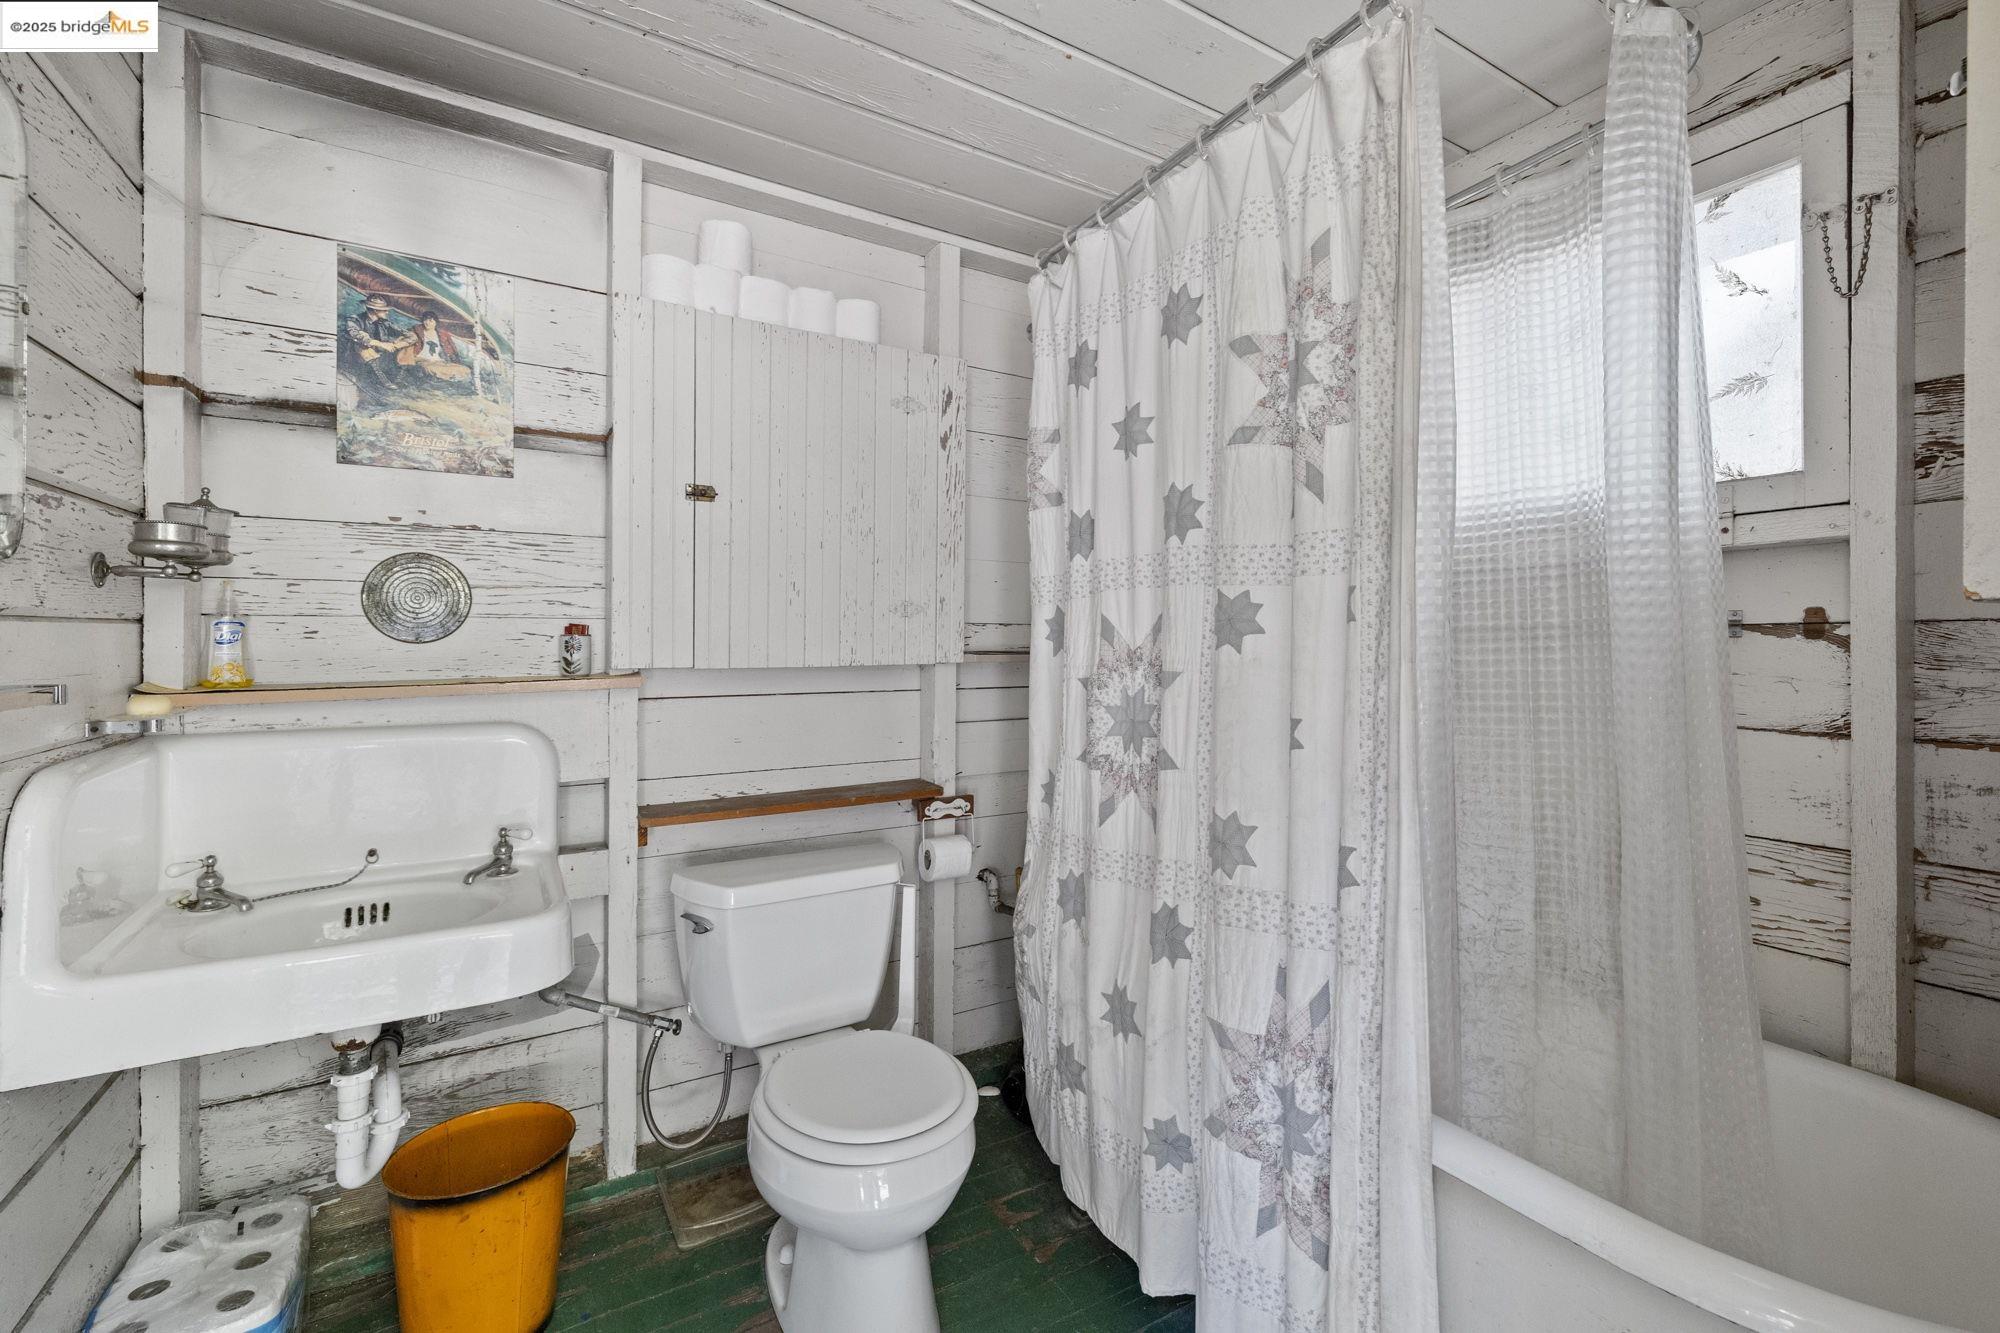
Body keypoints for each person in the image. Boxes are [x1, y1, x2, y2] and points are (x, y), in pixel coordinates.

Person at [340, 293, 407, 401]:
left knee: (403, 349)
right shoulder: (354, 320)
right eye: (384, 310)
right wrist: (382, 344)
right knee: (363, 347)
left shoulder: (383, 322)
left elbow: (406, 334)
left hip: (378, 354)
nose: (387, 312)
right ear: (376, 311)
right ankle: (383, 382)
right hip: (355, 356)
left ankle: (396, 378)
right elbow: (358, 336)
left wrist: (398, 343)